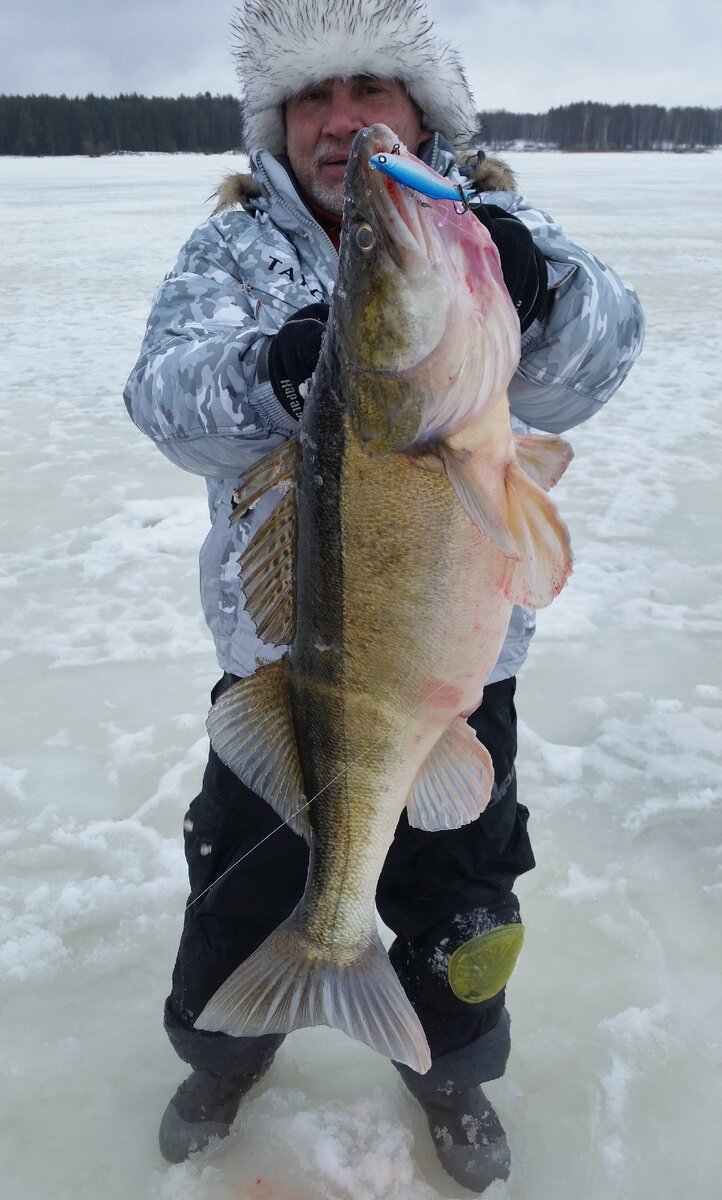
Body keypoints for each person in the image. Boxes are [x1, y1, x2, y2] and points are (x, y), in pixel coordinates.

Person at [124, 0, 644, 1190]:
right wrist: (273, 361)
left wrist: (537, 288)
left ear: (420, 112)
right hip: (287, 674)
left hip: (460, 684)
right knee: (235, 884)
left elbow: (600, 357)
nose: (342, 122)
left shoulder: (478, 228)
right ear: (279, 120)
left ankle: (450, 1079)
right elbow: (160, 398)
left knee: (461, 900)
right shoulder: (234, 250)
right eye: (313, 98)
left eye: (370, 91)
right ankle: (221, 1054)